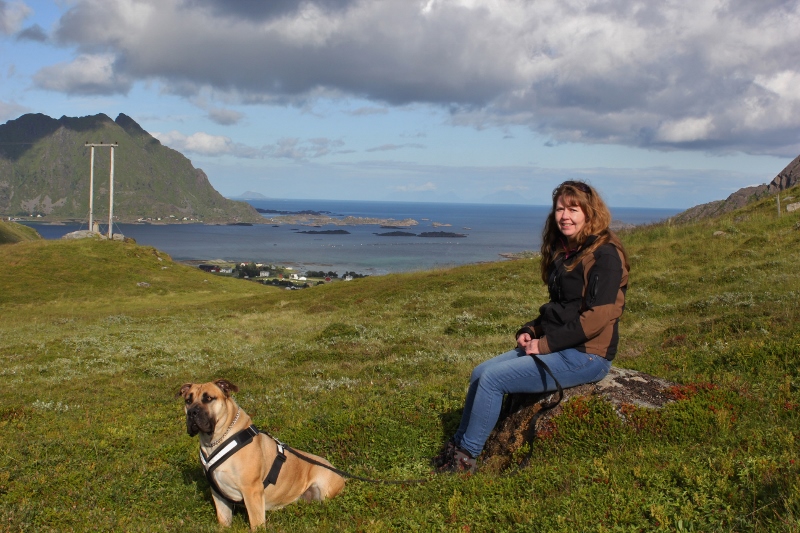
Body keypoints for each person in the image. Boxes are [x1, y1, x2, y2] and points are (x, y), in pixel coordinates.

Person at [434, 180, 630, 473]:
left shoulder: (605, 255)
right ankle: (458, 445)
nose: (565, 215)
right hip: (560, 345)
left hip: (586, 355)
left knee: (493, 381)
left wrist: (544, 345)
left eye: (573, 209)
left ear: (590, 213)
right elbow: (564, 308)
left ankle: (465, 458)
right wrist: (533, 330)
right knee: (480, 373)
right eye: (560, 209)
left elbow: (598, 318)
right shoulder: (568, 252)